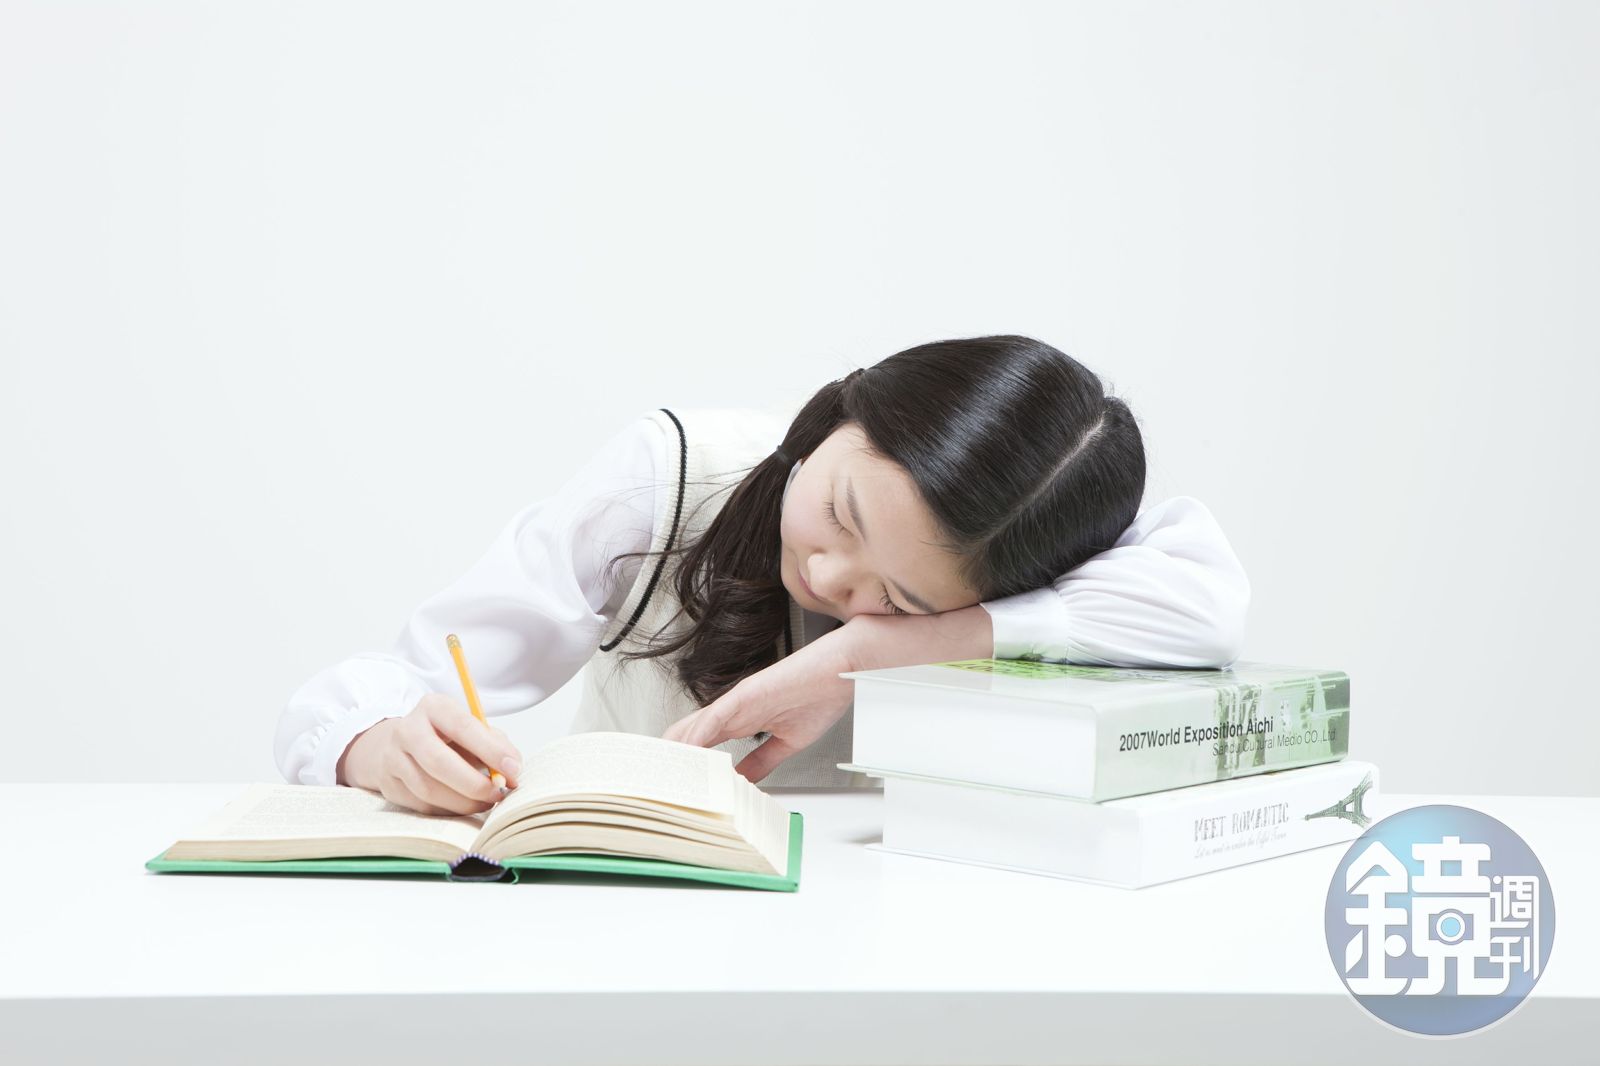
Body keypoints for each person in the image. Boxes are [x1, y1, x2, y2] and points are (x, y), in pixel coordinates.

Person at [274, 335, 1250, 816]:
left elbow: (1207, 604)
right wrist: (374, 742)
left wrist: (876, 652)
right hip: (620, 927)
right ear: (840, 414)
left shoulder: (1023, 554)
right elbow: (375, 685)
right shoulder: (673, 474)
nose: (830, 574)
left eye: (900, 598)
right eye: (843, 512)